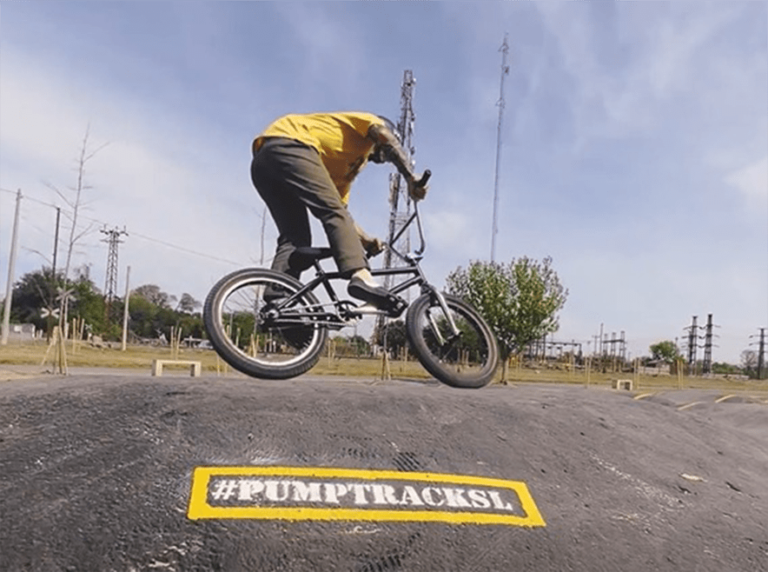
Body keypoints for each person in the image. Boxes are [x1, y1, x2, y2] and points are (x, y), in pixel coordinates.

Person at [251, 111, 428, 310]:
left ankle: (279, 301)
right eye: (386, 153)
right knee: (332, 213)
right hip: (292, 142)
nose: (385, 158)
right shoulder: (371, 124)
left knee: (295, 237)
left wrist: (365, 240)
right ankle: (361, 275)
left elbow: (341, 212)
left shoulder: (346, 170)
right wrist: (410, 176)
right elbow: (384, 136)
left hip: (264, 162)